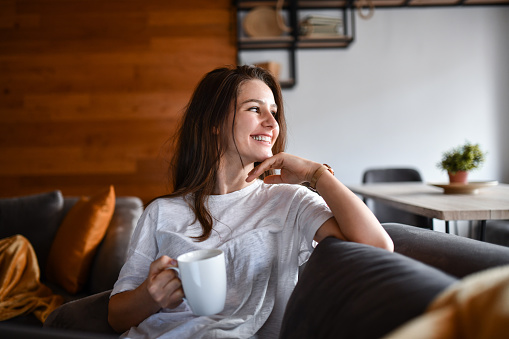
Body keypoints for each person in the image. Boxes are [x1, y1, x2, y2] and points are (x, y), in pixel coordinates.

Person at [108, 65, 394, 338]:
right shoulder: (161, 211)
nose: (271, 123)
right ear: (214, 123)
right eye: (255, 109)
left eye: (274, 112)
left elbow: (378, 247)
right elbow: (116, 315)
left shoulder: (289, 202)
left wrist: (316, 174)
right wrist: (149, 295)